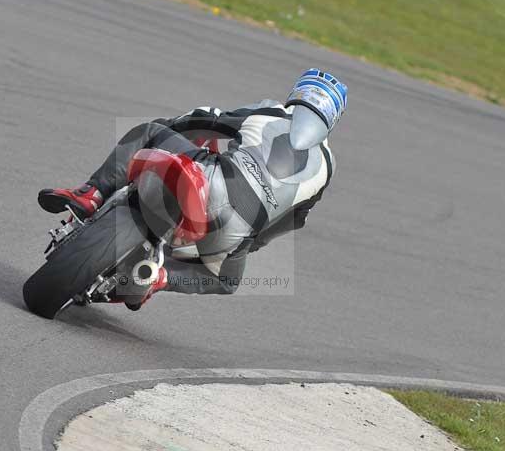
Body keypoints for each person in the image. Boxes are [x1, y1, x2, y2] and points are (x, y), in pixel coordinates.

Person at [38, 69, 346, 305]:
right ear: (333, 117)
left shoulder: (273, 110)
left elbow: (206, 119)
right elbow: (291, 221)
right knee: (226, 280)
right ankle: (159, 277)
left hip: (214, 182)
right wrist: (246, 244)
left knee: (148, 131)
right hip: (238, 230)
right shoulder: (327, 168)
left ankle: (91, 194)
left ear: (299, 93)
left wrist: (173, 126)